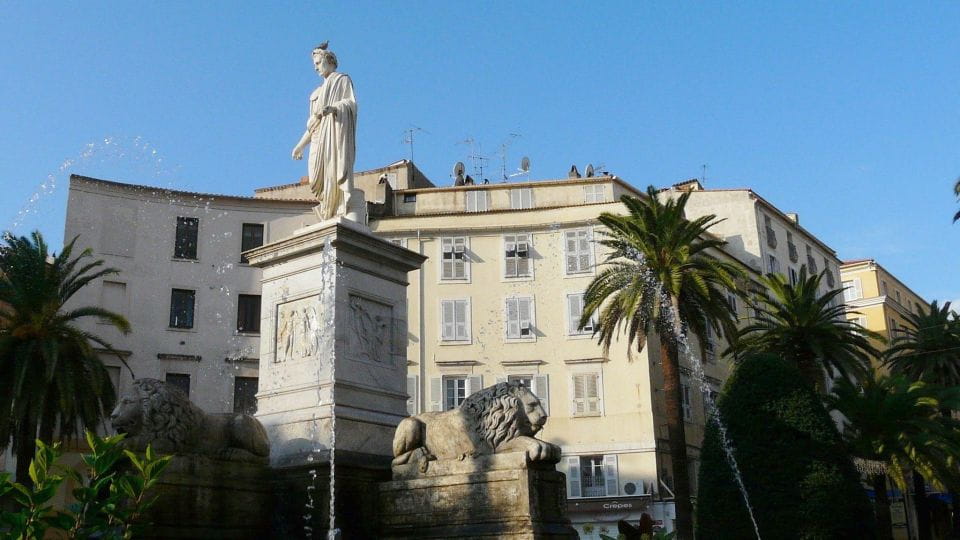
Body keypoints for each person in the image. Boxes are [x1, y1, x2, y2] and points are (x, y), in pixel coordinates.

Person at [291, 42, 357, 220]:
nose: (316, 68)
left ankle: (334, 210)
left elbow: (350, 104)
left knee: (332, 177)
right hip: (318, 140)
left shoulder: (342, 80)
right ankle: (327, 211)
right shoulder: (315, 93)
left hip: (334, 138)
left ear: (329, 60)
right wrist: (300, 146)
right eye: (314, 65)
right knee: (315, 181)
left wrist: (334, 108)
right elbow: (313, 126)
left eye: (318, 63)